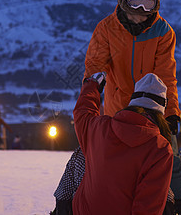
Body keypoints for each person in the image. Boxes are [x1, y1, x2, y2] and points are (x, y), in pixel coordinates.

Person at [53, 0, 181, 215]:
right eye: (135, 3)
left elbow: (166, 75)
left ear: (155, 6)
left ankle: (180, 203)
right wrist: (92, 86)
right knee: (99, 160)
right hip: (117, 108)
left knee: (169, 156)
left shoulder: (163, 32)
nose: (140, 11)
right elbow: (95, 65)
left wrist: (170, 114)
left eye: (146, 4)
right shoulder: (107, 28)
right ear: (123, 1)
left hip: (151, 108)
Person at [74, 72, 174, 214]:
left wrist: (92, 85)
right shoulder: (160, 149)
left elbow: (82, 112)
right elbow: (148, 207)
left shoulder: (100, 127)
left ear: (133, 101)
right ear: (161, 110)